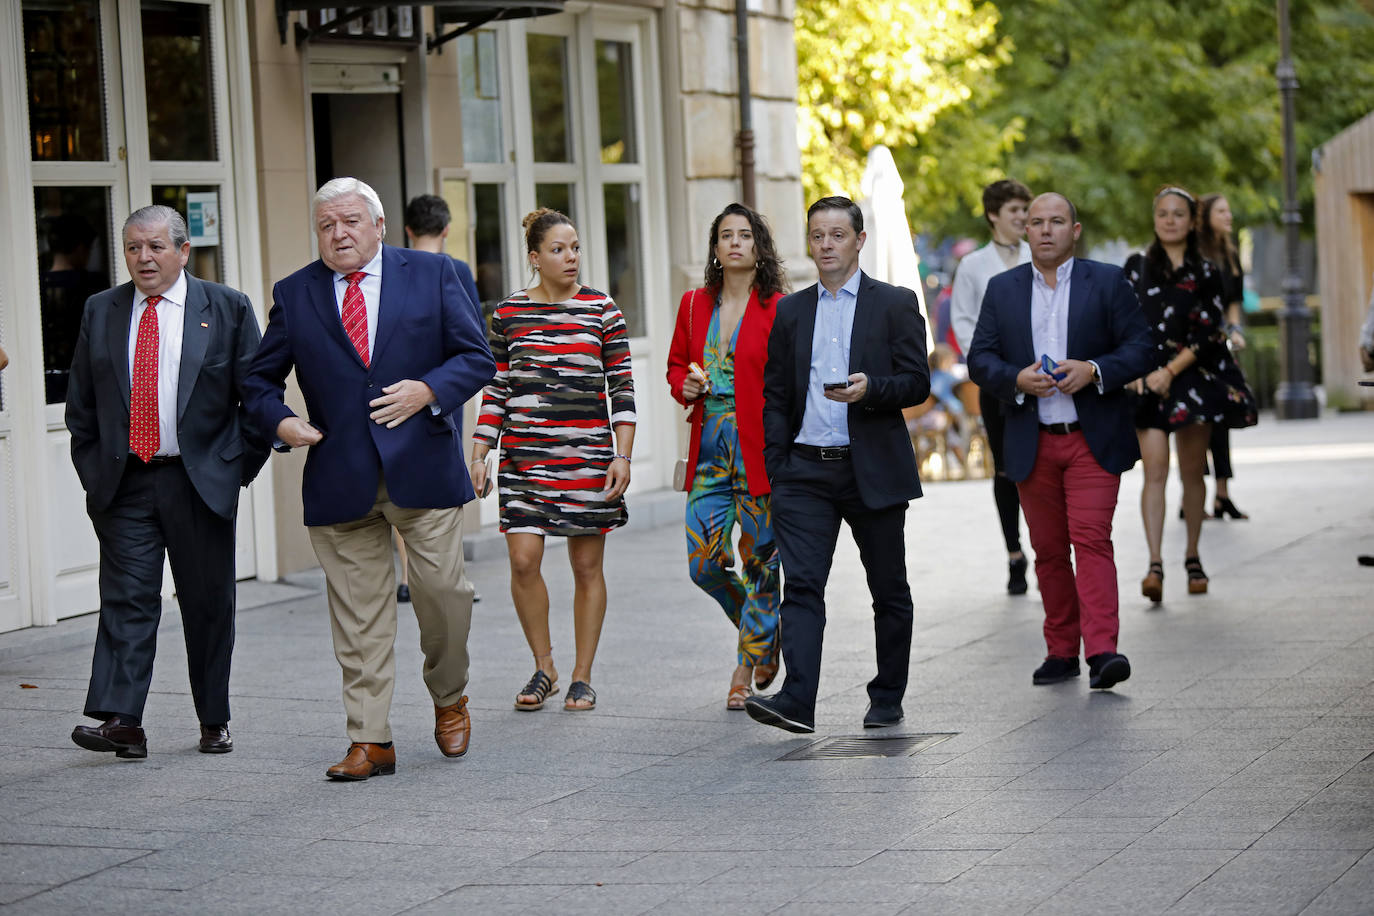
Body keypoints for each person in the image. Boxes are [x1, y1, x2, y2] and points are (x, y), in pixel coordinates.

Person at [244, 178, 494, 781]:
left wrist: (429, 389)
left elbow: (476, 356)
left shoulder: (434, 276)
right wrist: (283, 424)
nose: (339, 234)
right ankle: (370, 738)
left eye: (351, 221)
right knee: (358, 617)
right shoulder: (295, 293)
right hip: (340, 474)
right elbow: (257, 381)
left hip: (424, 469)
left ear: (380, 226)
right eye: (327, 225)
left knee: (444, 600)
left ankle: (449, 694)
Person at [65, 204, 269, 759]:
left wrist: (234, 471)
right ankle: (121, 719)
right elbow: (81, 403)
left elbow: (257, 399)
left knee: (207, 604)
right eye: (133, 247)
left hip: (198, 481)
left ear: (183, 251)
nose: (143, 258)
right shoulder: (101, 309)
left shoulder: (225, 308)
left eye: (155, 246)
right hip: (125, 483)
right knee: (127, 598)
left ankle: (213, 718)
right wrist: (92, 473)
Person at [745, 195, 929, 734]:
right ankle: (797, 702)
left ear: (859, 241)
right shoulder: (790, 310)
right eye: (817, 235)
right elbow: (775, 393)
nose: (826, 245)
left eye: (837, 235)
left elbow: (916, 382)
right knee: (801, 587)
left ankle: (887, 694)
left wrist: (873, 390)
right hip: (803, 473)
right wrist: (778, 464)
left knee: (888, 588)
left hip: (871, 468)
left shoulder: (894, 303)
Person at [967, 192, 1155, 689]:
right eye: (1036, 222)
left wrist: (1094, 369)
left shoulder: (1108, 281)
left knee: (1091, 540)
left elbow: (1142, 348)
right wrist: (1016, 379)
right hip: (1033, 440)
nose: (1045, 230)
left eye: (1056, 221)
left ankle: (1103, 652)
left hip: (1092, 440)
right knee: (1048, 550)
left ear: (1075, 230)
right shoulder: (1002, 289)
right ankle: (1061, 651)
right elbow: (980, 359)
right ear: (1023, 231)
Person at [470, 208, 636, 714]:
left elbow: (622, 388)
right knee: (523, 560)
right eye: (559, 249)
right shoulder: (508, 314)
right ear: (534, 258)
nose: (571, 257)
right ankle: (544, 665)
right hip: (524, 459)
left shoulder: (602, 310)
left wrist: (622, 455)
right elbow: (497, 388)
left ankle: (583, 676)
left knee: (586, 565)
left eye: (576, 247)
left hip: (587, 457)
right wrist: (480, 451)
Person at [666, 203, 786, 710]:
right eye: (725, 236)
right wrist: (687, 385)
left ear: (759, 245)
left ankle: (746, 663)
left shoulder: (780, 307)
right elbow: (675, 367)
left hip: (759, 450)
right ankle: (762, 632)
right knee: (704, 562)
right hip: (709, 448)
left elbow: (790, 381)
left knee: (760, 559)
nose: (735, 242)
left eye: (744, 234)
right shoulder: (695, 304)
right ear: (715, 248)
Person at [1125, 186, 1257, 603]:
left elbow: (1211, 331)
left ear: (1191, 220)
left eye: (1177, 214)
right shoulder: (1135, 267)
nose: (1169, 220)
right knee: (1155, 472)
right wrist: (1137, 374)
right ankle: (1154, 563)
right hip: (1148, 381)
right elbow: (1124, 324)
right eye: (1162, 213)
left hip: (1193, 377)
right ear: (1154, 218)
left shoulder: (1206, 270)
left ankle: (1193, 556)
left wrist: (1170, 371)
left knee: (1192, 471)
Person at [397, 193, 485, 605]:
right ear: (447, 229)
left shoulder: (392, 267)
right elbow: (471, 336)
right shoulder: (456, 268)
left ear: (408, 229)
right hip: (444, 389)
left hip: (397, 387)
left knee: (395, 477)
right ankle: (452, 574)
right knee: (447, 473)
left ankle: (408, 576)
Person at [950, 179, 1034, 595]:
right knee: (1005, 468)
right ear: (993, 215)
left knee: (1042, 463)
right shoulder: (974, 266)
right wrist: (990, 366)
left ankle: (1048, 546)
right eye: (1015, 210)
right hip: (998, 382)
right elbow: (963, 322)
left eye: (1025, 209)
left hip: (1044, 379)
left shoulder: (1040, 256)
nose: (1022, 217)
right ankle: (1014, 552)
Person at [1196, 192, 1251, 520]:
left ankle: (1222, 494)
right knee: (1196, 422)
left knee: (1222, 420)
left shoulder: (1230, 253)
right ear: (1206, 215)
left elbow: (1234, 301)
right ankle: (1194, 494)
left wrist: (1235, 330)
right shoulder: (1196, 253)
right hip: (1196, 345)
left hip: (1221, 348)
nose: (1229, 216)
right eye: (1222, 211)